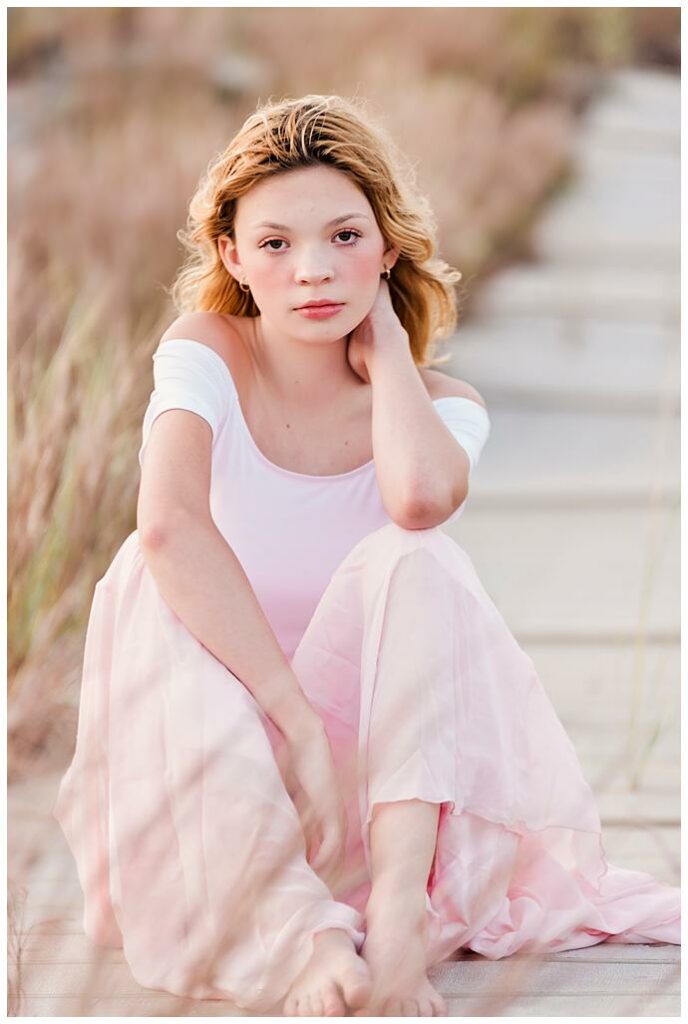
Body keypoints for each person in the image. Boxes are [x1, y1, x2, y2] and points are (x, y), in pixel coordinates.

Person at [53, 94, 680, 1017]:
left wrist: (387, 349)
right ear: (231, 256)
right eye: (275, 244)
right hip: (213, 768)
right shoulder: (205, 352)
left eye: (345, 237)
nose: (313, 271)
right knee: (152, 577)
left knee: (419, 558)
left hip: (381, 798)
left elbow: (420, 502)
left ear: (387, 247)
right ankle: (301, 941)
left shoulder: (439, 403)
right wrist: (294, 721)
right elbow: (170, 525)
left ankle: (394, 924)